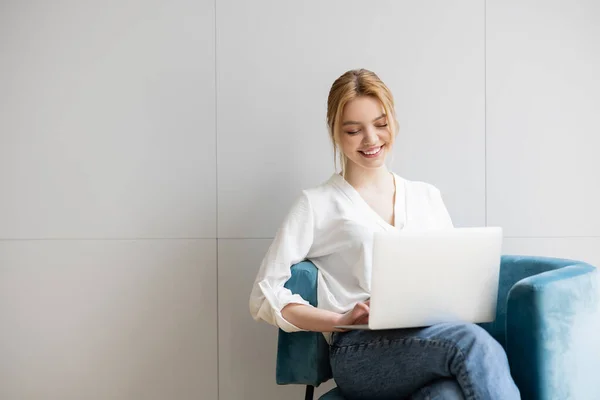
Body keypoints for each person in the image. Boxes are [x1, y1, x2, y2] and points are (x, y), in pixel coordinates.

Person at [249, 69, 520, 400]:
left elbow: (454, 282)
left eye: (380, 124)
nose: (371, 139)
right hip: (360, 349)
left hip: (430, 338)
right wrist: (338, 319)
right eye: (354, 130)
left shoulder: (426, 197)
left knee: (447, 394)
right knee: (472, 342)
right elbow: (264, 295)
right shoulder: (317, 204)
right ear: (336, 132)